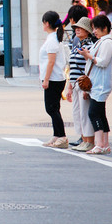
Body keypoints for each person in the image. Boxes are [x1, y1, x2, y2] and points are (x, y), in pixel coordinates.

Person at [79, 14, 112, 154]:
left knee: (94, 113)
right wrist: (88, 54)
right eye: (93, 28)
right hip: (97, 83)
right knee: (100, 113)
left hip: (101, 84)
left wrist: (88, 56)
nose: (94, 31)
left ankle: (100, 144)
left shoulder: (107, 42)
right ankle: (104, 144)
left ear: (104, 28)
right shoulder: (102, 41)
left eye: (96, 28)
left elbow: (102, 62)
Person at [39, 11, 68, 149]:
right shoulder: (53, 38)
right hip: (55, 78)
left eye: (43, 22)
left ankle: (61, 136)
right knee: (53, 108)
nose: (43, 25)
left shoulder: (52, 40)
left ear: (47, 23)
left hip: (54, 79)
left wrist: (46, 80)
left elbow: (51, 62)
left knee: (51, 108)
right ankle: (57, 135)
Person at [66, 17, 95, 152]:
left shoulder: (90, 46)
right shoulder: (77, 45)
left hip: (83, 84)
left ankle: (89, 141)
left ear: (88, 31)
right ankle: (83, 140)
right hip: (75, 83)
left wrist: (85, 89)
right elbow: (71, 67)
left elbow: (90, 67)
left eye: (80, 27)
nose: (77, 29)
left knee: (84, 113)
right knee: (77, 113)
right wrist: (70, 85)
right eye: (76, 27)